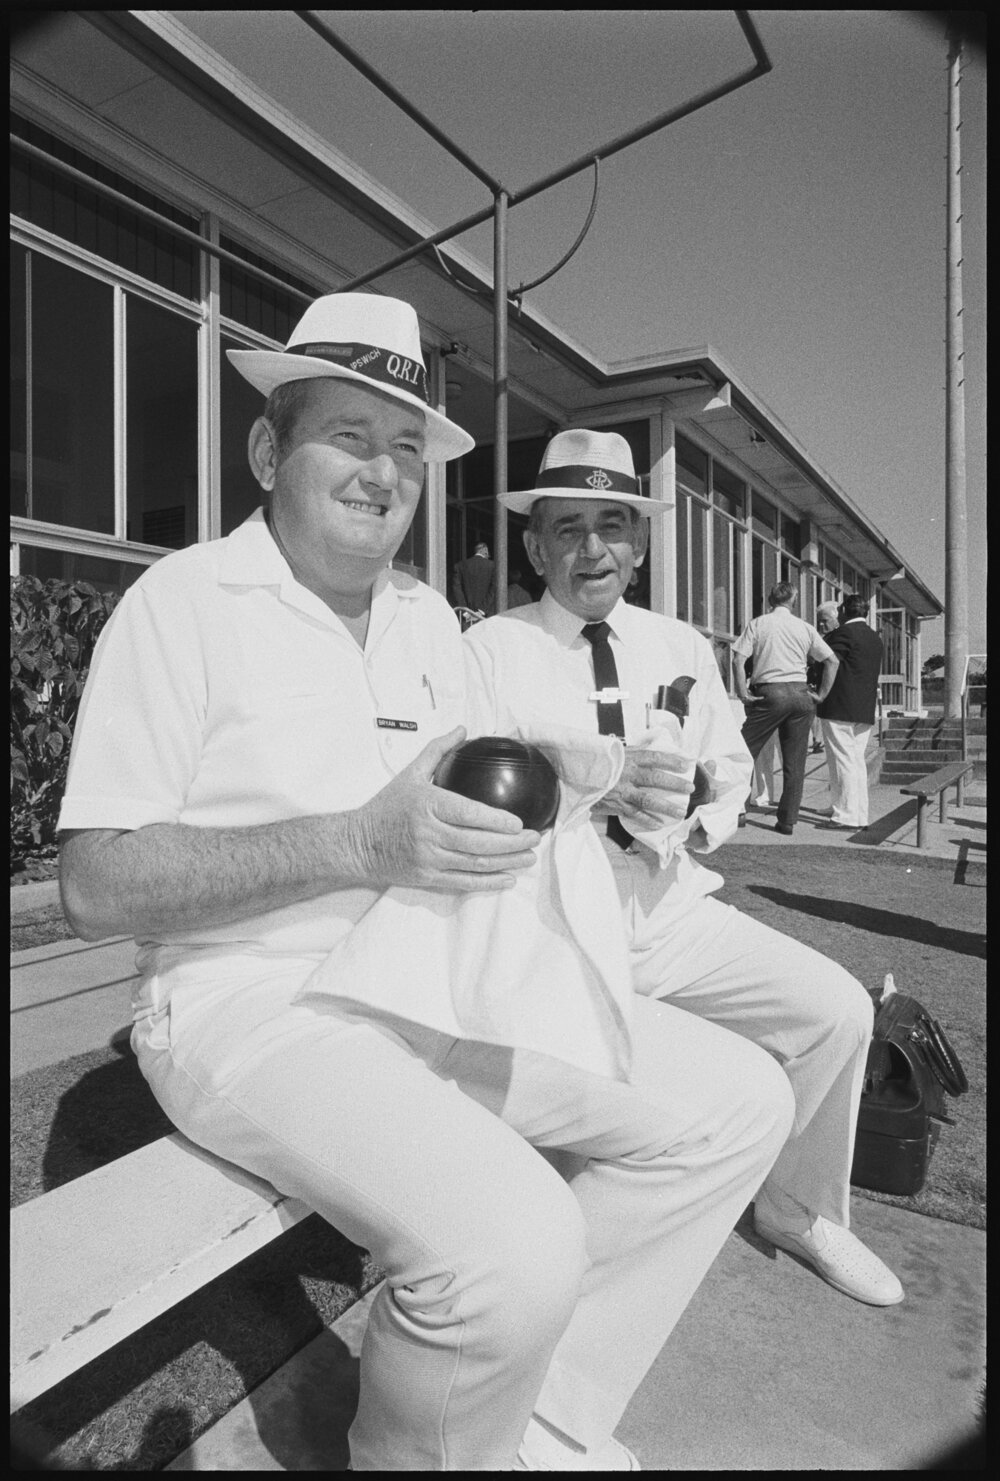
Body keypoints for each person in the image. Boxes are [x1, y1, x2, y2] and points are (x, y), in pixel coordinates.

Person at [56, 296, 794, 1473]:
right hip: (254, 1002)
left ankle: (539, 1408)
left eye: (407, 447)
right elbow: (92, 885)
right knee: (512, 1242)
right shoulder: (182, 604)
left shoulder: (425, 622)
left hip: (427, 974)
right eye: (349, 435)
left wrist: (607, 788)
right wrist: (352, 846)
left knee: (739, 1100)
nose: (384, 470)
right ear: (267, 452)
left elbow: (486, 777)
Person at [464, 428, 904, 1324]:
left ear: (641, 542)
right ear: (534, 542)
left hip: (667, 905)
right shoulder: (488, 651)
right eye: (569, 525)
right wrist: (594, 783)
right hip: (552, 921)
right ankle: (541, 1284)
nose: (593, 548)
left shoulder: (681, 645)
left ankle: (794, 1206)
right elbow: (480, 789)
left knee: (837, 1010)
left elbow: (729, 775)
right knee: (632, 1098)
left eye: (613, 525)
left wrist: (699, 804)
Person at [732, 582, 840, 835]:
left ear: (770, 599)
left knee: (742, 753)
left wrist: (742, 692)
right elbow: (832, 660)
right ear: (794, 599)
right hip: (801, 694)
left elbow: (739, 659)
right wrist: (821, 694)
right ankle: (787, 820)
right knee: (794, 762)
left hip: (770, 692)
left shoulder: (758, 624)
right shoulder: (804, 627)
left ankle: (737, 809)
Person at [816, 595, 884, 828]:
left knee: (843, 761)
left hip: (839, 706)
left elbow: (829, 663)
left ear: (844, 610)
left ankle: (846, 815)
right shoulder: (874, 637)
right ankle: (853, 810)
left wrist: (821, 693)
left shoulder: (843, 634)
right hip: (863, 709)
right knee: (854, 761)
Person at [810, 601, 841, 752]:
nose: (821, 625)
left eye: (825, 621)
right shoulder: (821, 638)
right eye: (819, 622)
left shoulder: (839, 639)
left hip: (836, 698)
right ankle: (817, 740)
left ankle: (818, 740)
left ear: (837, 619)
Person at [451, 539, 495, 616]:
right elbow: (494, 588)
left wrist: (465, 611)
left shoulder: (459, 566)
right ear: (484, 550)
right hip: (486, 616)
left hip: (465, 616)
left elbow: (456, 589)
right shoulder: (492, 566)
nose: (488, 556)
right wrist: (482, 610)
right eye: (487, 553)